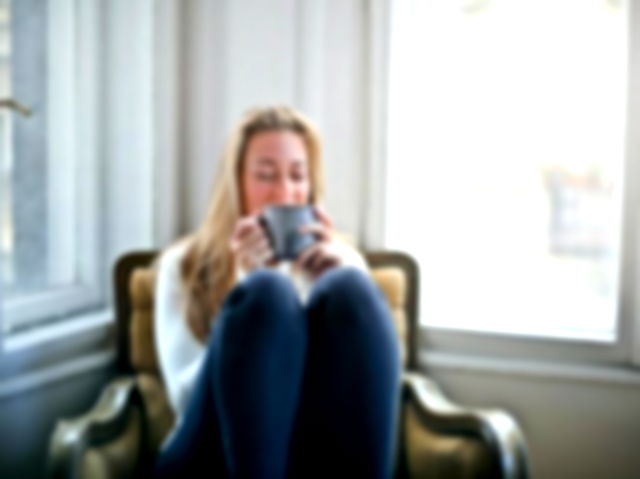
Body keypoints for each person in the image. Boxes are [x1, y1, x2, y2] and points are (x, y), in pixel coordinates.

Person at [153, 105, 401, 478]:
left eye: (297, 176)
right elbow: (185, 400)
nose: (285, 193)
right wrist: (244, 284)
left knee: (351, 288)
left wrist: (330, 281)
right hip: (209, 454)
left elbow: (367, 399)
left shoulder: (340, 263)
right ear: (236, 183)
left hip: (308, 455)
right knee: (266, 294)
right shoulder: (183, 265)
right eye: (266, 176)